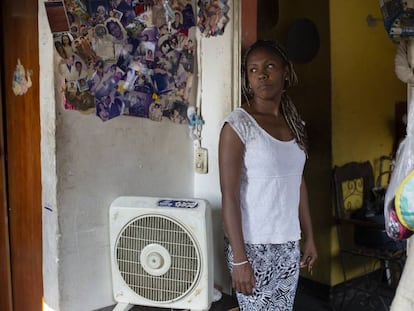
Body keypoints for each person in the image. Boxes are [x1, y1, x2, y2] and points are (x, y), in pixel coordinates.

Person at [218, 40, 318, 310]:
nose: (261, 74)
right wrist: (240, 259)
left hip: (287, 244)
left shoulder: (295, 125)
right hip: (253, 247)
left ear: (286, 72)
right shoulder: (238, 126)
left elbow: (298, 183)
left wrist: (308, 235)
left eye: (269, 66)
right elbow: (229, 196)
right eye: (253, 69)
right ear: (248, 78)